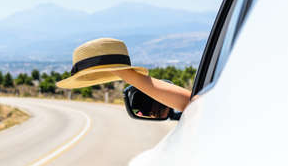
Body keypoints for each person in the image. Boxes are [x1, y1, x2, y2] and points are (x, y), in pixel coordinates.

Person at [56, 38, 191, 112]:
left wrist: (125, 74)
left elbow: (192, 104)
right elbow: (193, 104)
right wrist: (126, 74)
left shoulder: (202, 106)